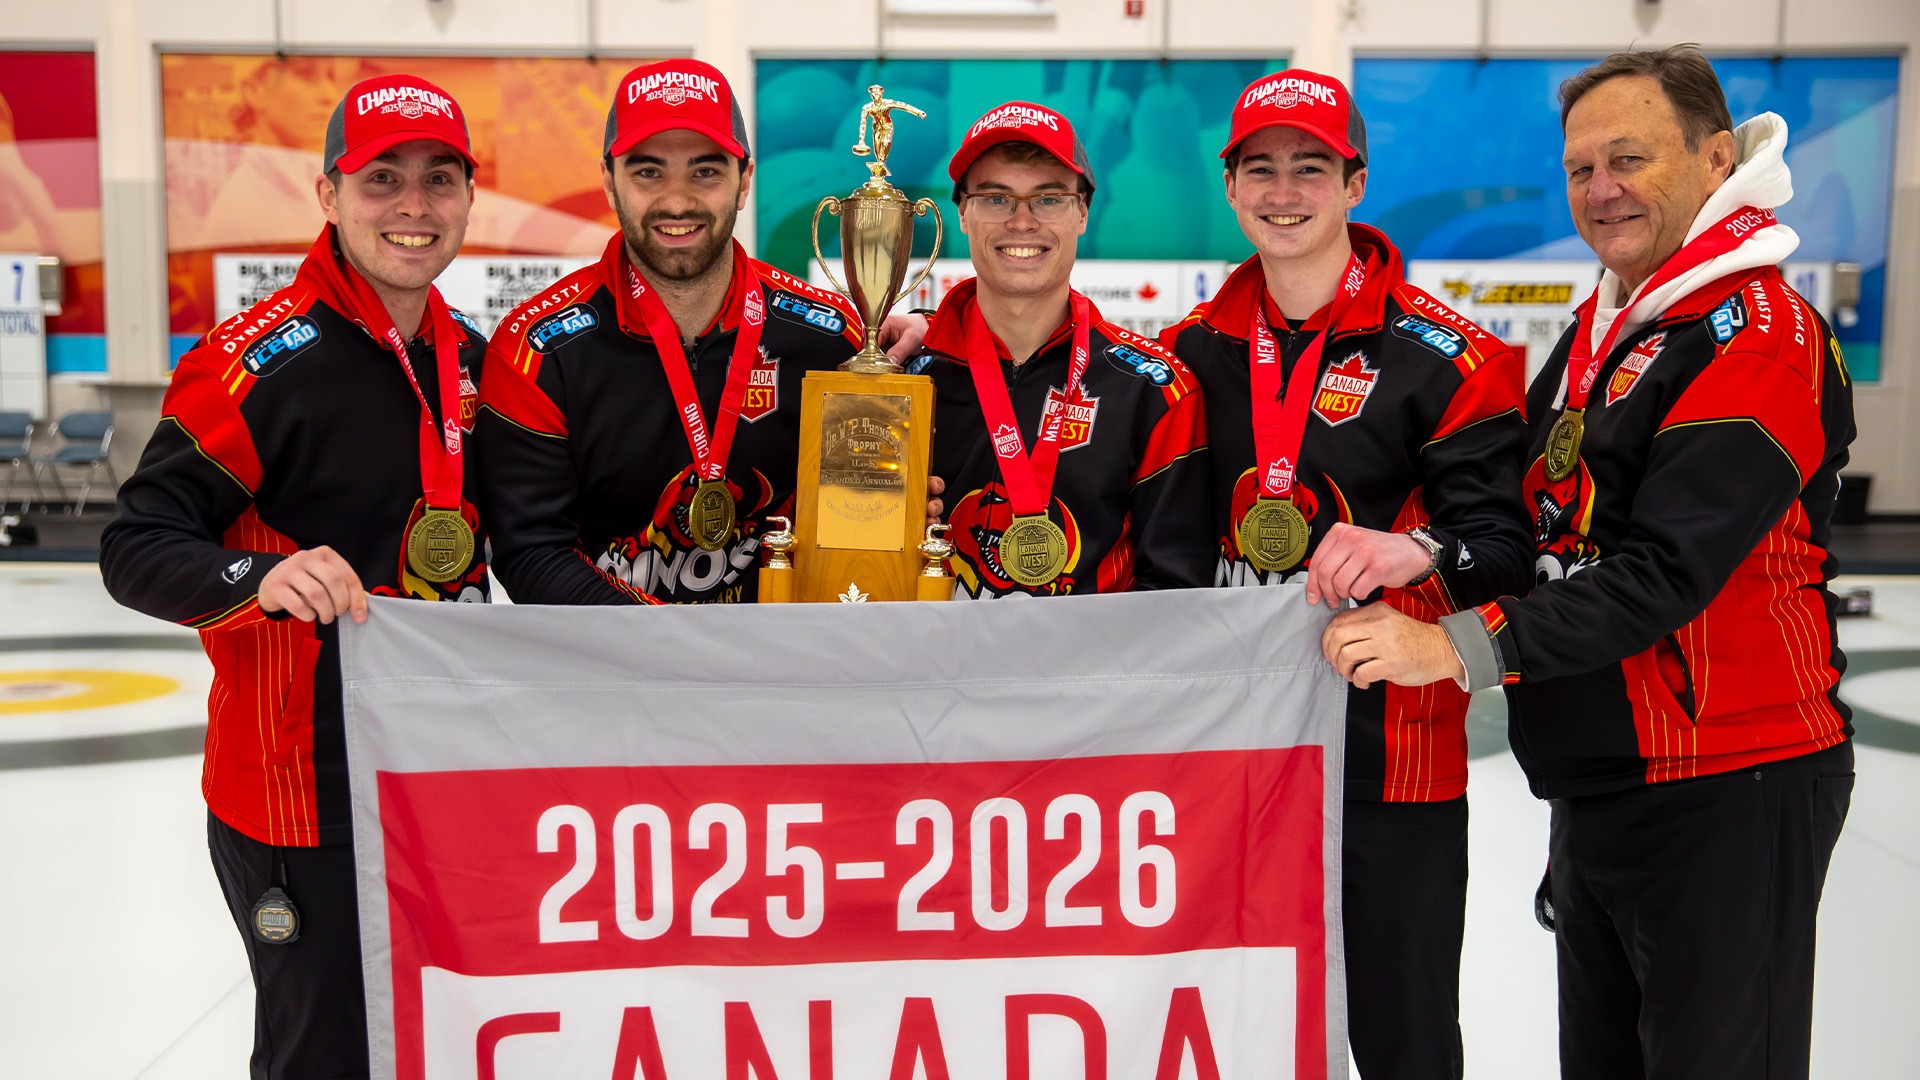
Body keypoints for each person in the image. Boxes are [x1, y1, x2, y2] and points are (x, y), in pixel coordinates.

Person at [1323, 45, 1855, 1079]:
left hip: (1728, 783)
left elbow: (1661, 574)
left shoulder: (1758, 334)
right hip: (1608, 782)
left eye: (1630, 159)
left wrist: (1448, 648)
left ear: (1713, 161)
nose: (1600, 189)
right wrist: (1423, 546)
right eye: (1579, 168)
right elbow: (1550, 526)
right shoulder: (1605, 327)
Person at [100, 73, 488, 1077]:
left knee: (438, 1038)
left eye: (438, 180)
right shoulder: (252, 366)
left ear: (469, 201)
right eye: (381, 180)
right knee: (320, 1053)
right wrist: (257, 577)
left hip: (438, 780)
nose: (413, 207)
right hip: (295, 800)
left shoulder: (477, 365)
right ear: (328, 196)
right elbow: (135, 545)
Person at [1159, 69, 1532, 1079]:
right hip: (1229, 757)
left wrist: (1420, 549)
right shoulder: (1184, 353)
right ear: (1230, 186)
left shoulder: (1450, 360)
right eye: (1262, 169)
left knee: (1403, 1038)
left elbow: (1509, 553)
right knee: (1234, 1027)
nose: (1285, 192)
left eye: (1311, 167)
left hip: (1388, 767)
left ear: (1355, 182)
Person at [476, 59, 934, 606]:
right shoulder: (537, 349)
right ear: (608, 181)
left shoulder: (834, 338)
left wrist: (899, 506)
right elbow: (531, 553)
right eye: (648, 171)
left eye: (705, 171)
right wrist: (680, 656)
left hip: (782, 671)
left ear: (744, 182)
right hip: (613, 675)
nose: (677, 200)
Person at [905, 101, 1214, 597]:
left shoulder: (1151, 389)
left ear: (1083, 213)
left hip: (1089, 673)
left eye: (1048, 199)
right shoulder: (902, 376)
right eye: (996, 198)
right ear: (962, 212)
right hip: (930, 671)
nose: (1022, 221)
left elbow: (1176, 594)